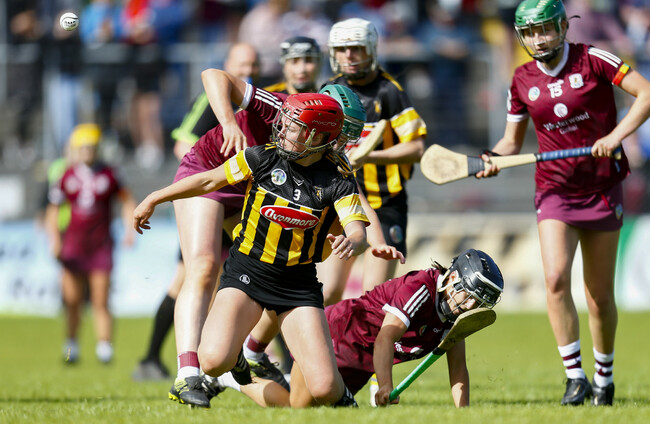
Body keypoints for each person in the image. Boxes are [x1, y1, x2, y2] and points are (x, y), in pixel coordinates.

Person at [133, 72, 399, 408]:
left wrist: (358, 241)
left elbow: (356, 225)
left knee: (325, 390)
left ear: (317, 135)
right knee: (212, 361)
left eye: (293, 126)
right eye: (285, 121)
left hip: (297, 286)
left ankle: (325, 388)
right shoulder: (262, 155)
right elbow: (207, 181)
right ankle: (236, 360)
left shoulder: (338, 179)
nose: (282, 128)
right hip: (247, 274)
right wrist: (155, 197)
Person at [476, 0, 650, 406]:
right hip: (554, 190)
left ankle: (604, 377)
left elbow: (645, 93)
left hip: (602, 187)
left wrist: (615, 136)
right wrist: (493, 159)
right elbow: (510, 142)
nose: (539, 39)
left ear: (561, 27)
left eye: (545, 29)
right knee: (555, 279)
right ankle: (575, 377)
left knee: (598, 296)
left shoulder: (593, 59)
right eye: (530, 32)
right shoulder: (521, 79)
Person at [203, 249, 504, 408]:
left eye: (478, 303)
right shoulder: (421, 289)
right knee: (296, 407)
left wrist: (464, 414)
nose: (469, 306)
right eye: (469, 295)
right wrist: (384, 385)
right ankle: (230, 378)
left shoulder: (452, 317)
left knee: (318, 408)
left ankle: (251, 373)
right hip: (337, 335)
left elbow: (458, 369)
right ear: (453, 279)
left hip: (361, 360)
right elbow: (386, 337)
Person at [132, 42, 260, 382]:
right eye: (242, 64)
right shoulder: (212, 100)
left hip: (237, 199)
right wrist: (218, 176)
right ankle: (153, 358)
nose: (248, 71)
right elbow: (182, 144)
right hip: (208, 197)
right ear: (228, 63)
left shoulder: (256, 100)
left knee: (237, 276)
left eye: (253, 65)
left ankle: (237, 357)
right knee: (192, 276)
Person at [321, 18, 427, 305]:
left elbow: (416, 147)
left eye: (356, 48)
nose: (349, 56)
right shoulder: (330, 89)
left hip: (385, 203)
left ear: (371, 49)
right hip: (342, 203)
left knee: (374, 301)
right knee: (327, 293)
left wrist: (370, 156)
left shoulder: (389, 92)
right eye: (342, 49)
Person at [45, 123, 136, 364]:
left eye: (91, 147)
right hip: (73, 245)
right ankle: (71, 346)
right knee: (72, 301)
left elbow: (127, 201)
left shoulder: (110, 174)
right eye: (83, 147)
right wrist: (54, 239)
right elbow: (53, 210)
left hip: (101, 245)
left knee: (100, 299)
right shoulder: (66, 175)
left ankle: (104, 347)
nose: (87, 151)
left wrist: (130, 230)